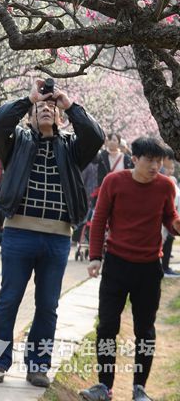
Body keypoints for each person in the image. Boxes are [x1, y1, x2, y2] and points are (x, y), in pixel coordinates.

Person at [0, 80, 104, 387]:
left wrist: (68, 104)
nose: (47, 110)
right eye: (41, 108)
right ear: (30, 116)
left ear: (60, 117)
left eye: (51, 107)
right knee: (9, 299)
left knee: (48, 304)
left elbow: (96, 135)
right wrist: (29, 99)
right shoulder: (17, 143)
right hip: (18, 234)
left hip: (57, 237)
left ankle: (38, 366)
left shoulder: (72, 148)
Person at [79, 137, 180, 401]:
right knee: (107, 326)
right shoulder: (114, 182)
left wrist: (176, 225)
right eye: (150, 160)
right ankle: (103, 385)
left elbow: (169, 216)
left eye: (159, 161)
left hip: (148, 267)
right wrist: (95, 257)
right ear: (134, 159)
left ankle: (139, 388)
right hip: (116, 264)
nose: (155, 166)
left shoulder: (166, 186)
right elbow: (99, 220)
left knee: (144, 329)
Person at [160, 147, 179, 277]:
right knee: (163, 240)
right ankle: (163, 267)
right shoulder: (163, 179)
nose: (172, 165)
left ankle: (163, 267)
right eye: (171, 161)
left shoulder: (169, 180)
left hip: (169, 217)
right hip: (163, 218)